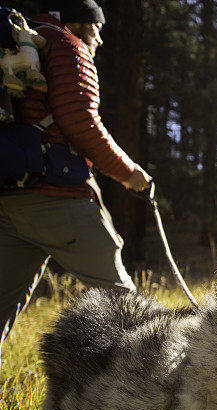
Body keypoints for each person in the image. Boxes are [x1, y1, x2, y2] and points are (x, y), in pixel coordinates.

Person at [0, 0, 152, 358]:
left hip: (10, 198)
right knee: (129, 309)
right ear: (84, 25)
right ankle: (159, 394)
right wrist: (129, 173)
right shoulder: (68, 46)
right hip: (60, 196)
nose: (98, 41)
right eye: (98, 31)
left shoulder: (26, 42)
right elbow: (79, 121)